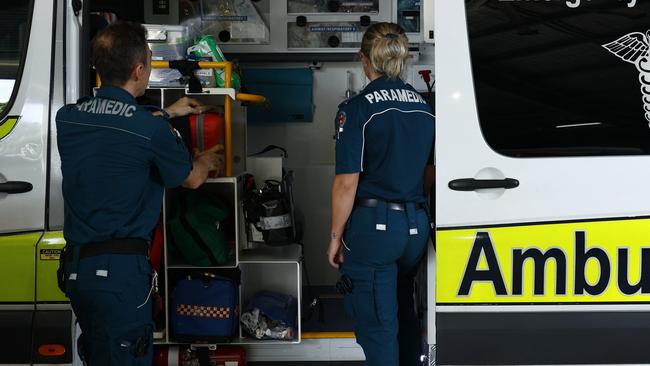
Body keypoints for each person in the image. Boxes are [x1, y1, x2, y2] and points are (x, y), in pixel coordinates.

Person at [56, 22, 223, 365]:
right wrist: (206, 161)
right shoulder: (151, 129)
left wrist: (164, 113)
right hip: (120, 274)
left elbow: (115, 125)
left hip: (77, 271)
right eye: (149, 59)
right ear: (138, 70)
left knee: (99, 354)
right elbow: (189, 180)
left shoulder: (68, 119)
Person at [327, 22, 435, 366]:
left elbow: (346, 182)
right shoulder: (423, 107)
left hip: (375, 230)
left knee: (377, 325)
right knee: (403, 313)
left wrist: (334, 238)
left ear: (364, 59)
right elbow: (429, 173)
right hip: (415, 228)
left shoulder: (357, 109)